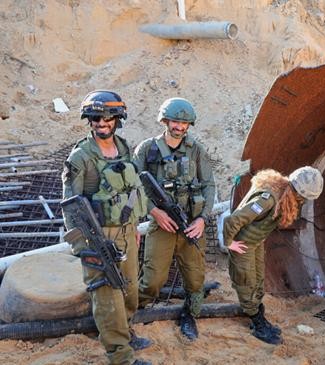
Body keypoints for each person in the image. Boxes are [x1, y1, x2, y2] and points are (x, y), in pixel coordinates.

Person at [62, 90, 151, 365]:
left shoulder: (124, 148)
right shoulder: (80, 157)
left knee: (129, 291)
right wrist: (83, 246)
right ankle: (121, 356)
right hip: (97, 235)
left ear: (117, 119)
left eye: (107, 119)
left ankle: (126, 333)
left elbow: (132, 187)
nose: (101, 124)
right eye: (95, 119)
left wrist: (133, 223)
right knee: (106, 295)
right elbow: (70, 205)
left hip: (126, 230)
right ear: (89, 121)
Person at [134, 97, 215, 341]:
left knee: (195, 278)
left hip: (190, 225)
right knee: (153, 279)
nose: (180, 127)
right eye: (176, 121)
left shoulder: (196, 150)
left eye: (184, 123)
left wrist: (202, 219)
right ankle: (131, 310)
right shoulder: (147, 149)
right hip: (161, 225)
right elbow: (133, 187)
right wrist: (153, 211)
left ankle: (190, 315)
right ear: (165, 120)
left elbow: (209, 185)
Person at [224, 167, 323, 344]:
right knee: (247, 283)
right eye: (303, 198)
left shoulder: (282, 192)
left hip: (254, 242)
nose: (302, 202)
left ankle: (259, 315)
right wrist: (229, 242)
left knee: (259, 281)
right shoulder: (268, 199)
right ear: (297, 191)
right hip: (243, 244)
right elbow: (234, 219)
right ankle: (257, 323)